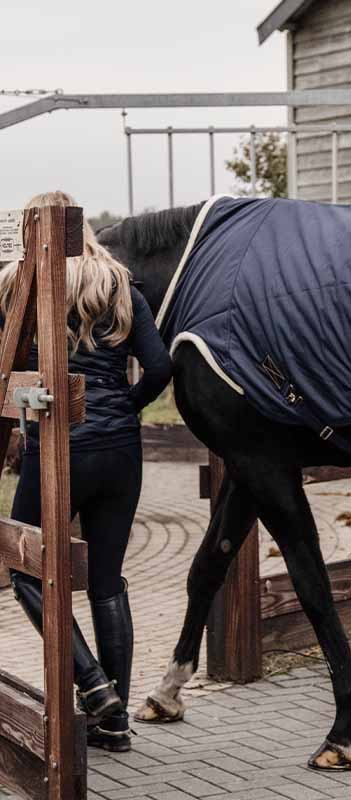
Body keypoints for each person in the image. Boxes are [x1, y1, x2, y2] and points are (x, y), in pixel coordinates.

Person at [0, 190, 172, 752]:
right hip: (121, 449)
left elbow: (9, 374)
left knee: (27, 569)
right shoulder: (119, 284)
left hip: (58, 446)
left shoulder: (19, 286)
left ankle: (94, 686)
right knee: (106, 581)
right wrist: (127, 404)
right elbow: (161, 363)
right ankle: (115, 725)